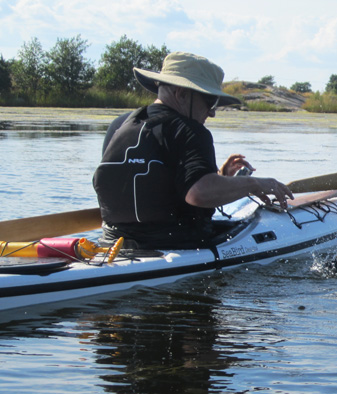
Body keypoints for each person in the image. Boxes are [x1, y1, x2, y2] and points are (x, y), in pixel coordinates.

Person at [93, 51, 293, 249]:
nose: (212, 112)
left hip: (113, 245)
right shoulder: (190, 131)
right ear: (181, 94)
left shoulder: (119, 125)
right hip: (179, 247)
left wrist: (220, 177)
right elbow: (198, 194)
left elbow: (152, 186)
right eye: (210, 102)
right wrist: (255, 183)